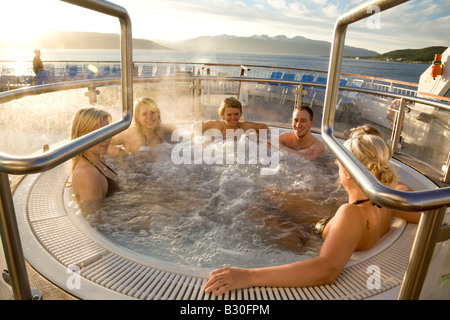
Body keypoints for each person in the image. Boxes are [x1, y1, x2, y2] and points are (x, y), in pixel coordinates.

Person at [204, 134, 421, 296]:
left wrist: (249, 276)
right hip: (330, 225)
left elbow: (326, 270)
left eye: (339, 164)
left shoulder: (350, 213)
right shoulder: (389, 198)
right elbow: (421, 214)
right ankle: (260, 191)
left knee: (248, 211)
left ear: (347, 171)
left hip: (307, 240)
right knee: (273, 194)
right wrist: (388, 183)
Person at [69, 107, 119, 215]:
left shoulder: (98, 157)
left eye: (108, 132)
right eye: (99, 134)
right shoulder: (88, 175)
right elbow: (95, 222)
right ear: (81, 137)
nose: (108, 139)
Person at [109, 97, 176, 154]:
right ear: (137, 117)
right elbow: (102, 143)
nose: (149, 117)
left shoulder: (165, 130)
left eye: (152, 112)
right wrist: (120, 153)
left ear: (157, 113)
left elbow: (183, 141)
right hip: (139, 167)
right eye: (144, 114)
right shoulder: (130, 134)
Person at [199, 97, 268, 139]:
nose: (233, 118)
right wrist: (199, 138)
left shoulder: (244, 126)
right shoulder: (216, 125)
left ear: (240, 113)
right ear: (223, 114)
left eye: (236, 114)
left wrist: (260, 138)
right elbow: (196, 125)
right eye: (229, 115)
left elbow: (264, 127)